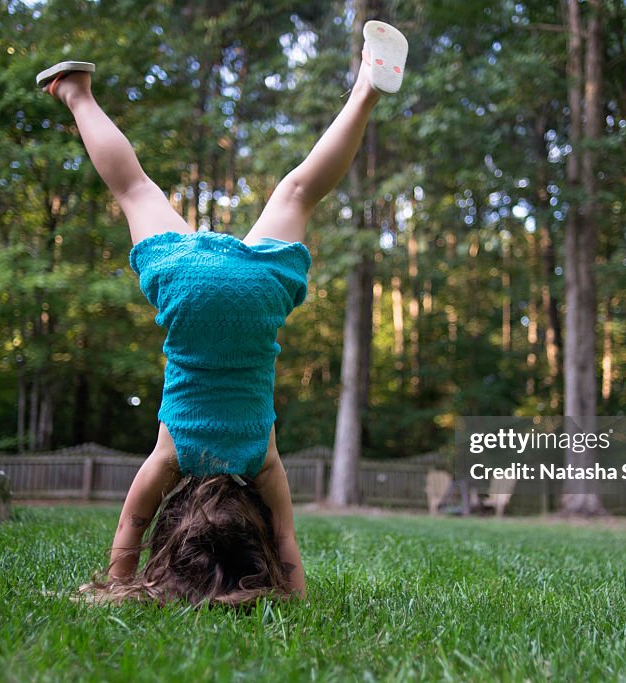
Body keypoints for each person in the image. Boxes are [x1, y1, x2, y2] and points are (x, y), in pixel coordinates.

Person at [35, 20, 408, 607]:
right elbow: (131, 529)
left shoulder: (262, 459)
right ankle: (76, 91)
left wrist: (295, 595)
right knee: (135, 188)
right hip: (188, 291)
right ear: (176, 520)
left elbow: (285, 539)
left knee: (298, 192)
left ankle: (365, 88)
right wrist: (120, 584)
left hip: (257, 296)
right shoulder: (171, 454)